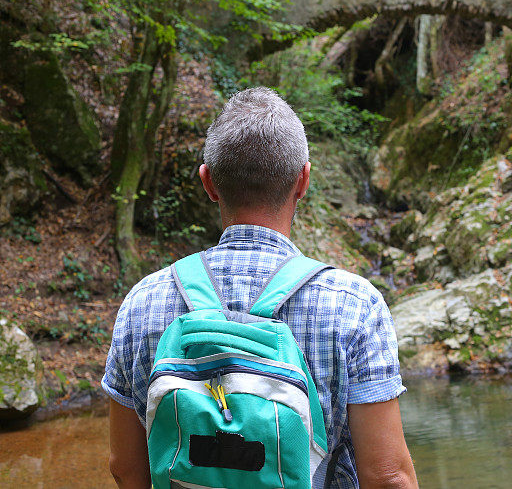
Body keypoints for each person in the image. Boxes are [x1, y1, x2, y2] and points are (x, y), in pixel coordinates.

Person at [102, 87, 418, 489]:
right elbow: (388, 478)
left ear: (209, 182)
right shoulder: (355, 305)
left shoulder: (142, 303)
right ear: (303, 181)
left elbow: (125, 468)